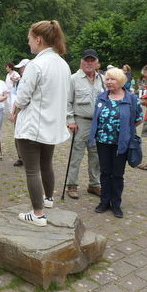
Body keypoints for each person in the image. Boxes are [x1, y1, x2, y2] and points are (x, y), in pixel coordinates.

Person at [14, 20, 71, 227]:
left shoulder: (36, 65)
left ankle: (37, 214)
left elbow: (22, 98)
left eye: (29, 39)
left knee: (32, 170)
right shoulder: (63, 64)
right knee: (46, 164)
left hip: (33, 126)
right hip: (52, 124)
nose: (28, 43)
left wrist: (15, 109)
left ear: (38, 39)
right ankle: (48, 199)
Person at [88, 67, 143, 218]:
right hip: (103, 141)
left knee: (117, 174)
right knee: (105, 172)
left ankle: (116, 204)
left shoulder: (131, 99)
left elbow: (138, 119)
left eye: (113, 79)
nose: (109, 82)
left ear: (120, 81)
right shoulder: (101, 97)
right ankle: (104, 201)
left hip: (122, 143)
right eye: (107, 79)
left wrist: (125, 130)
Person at [65, 49, 105, 199]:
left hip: (98, 123)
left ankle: (94, 184)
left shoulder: (102, 79)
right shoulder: (73, 79)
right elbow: (67, 101)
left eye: (92, 60)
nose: (89, 63)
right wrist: (70, 121)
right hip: (80, 122)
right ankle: (72, 185)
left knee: (96, 155)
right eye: (86, 60)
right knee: (76, 155)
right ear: (81, 62)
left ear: (97, 63)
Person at [11, 58, 30, 167]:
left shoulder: (32, 80)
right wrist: (13, 112)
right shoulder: (20, 81)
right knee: (17, 133)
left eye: (22, 68)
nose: (20, 70)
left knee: (28, 134)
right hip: (19, 107)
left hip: (29, 108)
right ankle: (21, 157)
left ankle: (29, 158)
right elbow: (16, 97)